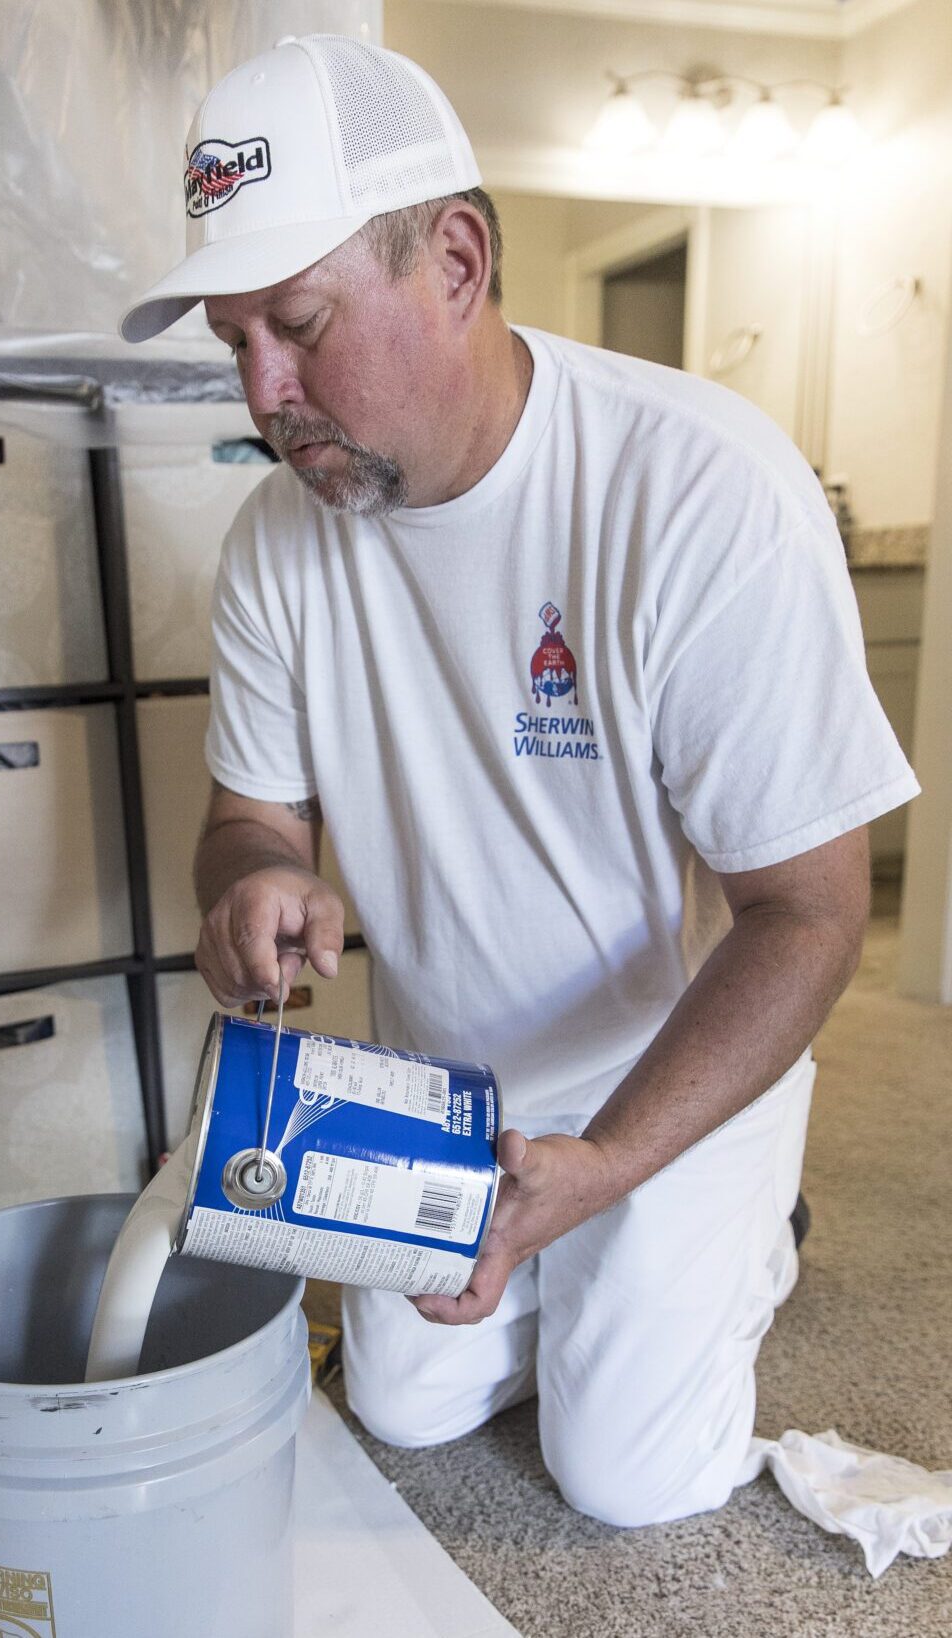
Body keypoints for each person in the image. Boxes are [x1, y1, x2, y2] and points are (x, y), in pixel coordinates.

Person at [119, 35, 919, 1527]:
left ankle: (749, 1219)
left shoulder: (700, 495)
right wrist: (252, 881)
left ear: (460, 260)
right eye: (234, 343)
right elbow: (245, 820)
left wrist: (609, 1163)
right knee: (407, 1416)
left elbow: (810, 916)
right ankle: (578, 1258)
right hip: (446, 1081)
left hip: (667, 1068)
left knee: (625, 1477)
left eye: (296, 323)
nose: (263, 392)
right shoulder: (273, 545)